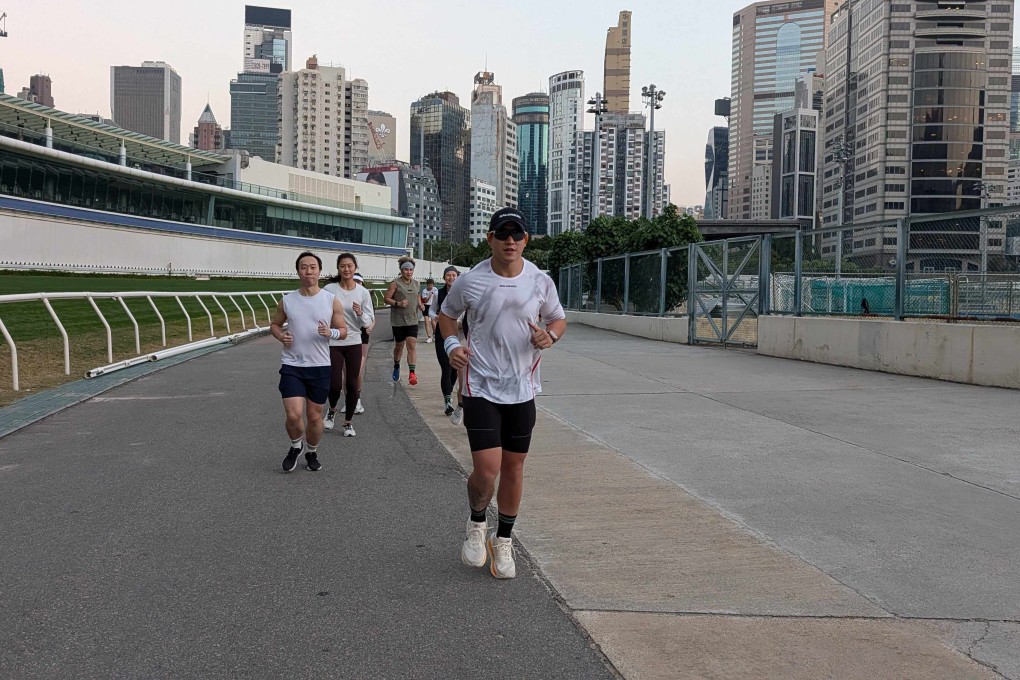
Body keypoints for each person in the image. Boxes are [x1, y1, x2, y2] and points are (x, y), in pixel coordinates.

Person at [438, 207, 567, 579]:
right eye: (502, 234)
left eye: (517, 235)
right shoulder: (470, 281)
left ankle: (504, 539)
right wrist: (450, 345)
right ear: (490, 238)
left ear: (525, 240)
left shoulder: (540, 281)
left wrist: (551, 335)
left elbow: (557, 318)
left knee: (514, 467)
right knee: (487, 468)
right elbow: (447, 316)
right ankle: (477, 522)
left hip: (523, 387)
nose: (510, 241)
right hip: (481, 385)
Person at [270, 251, 347, 473]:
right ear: (298, 271)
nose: (308, 271)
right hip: (292, 365)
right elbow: (275, 325)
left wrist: (329, 332)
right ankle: (296, 446)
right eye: (304, 267)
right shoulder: (287, 300)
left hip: (320, 367)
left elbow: (343, 331)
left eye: (313, 267)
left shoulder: (331, 301)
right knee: (293, 416)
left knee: (315, 418)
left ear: (319, 271)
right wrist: (280, 336)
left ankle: (311, 451)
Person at [322, 254, 375, 437]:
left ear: (355, 267)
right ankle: (332, 409)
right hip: (334, 341)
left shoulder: (362, 293)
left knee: (352, 384)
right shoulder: (330, 289)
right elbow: (320, 312)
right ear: (338, 268)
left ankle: (348, 423)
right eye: (343, 266)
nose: (346, 269)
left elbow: (368, 321)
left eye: (350, 266)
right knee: (334, 384)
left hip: (354, 341)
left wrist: (360, 313)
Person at [383, 256, 424, 385]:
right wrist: (398, 303)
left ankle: (412, 374)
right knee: (399, 346)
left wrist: (420, 304)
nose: (409, 272)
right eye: (406, 270)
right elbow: (386, 298)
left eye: (411, 270)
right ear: (401, 270)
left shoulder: (417, 283)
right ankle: (396, 366)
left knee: (411, 345)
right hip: (398, 320)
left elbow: (417, 296)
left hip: (412, 320)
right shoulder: (395, 283)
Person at [429, 266, 460, 415]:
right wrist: (435, 316)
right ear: (444, 277)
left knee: (455, 368)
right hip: (442, 335)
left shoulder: (462, 292)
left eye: (454, 275)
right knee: (446, 368)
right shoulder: (438, 293)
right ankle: (447, 402)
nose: (451, 278)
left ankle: (450, 389)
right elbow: (431, 309)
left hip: (457, 335)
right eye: (448, 275)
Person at [354, 273, 373, 415]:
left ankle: (357, 399)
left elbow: (372, 317)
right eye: (354, 281)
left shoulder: (365, 296)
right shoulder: (342, 296)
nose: (356, 284)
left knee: (358, 370)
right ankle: (350, 399)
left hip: (362, 335)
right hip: (347, 335)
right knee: (346, 372)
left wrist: (371, 325)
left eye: (359, 282)